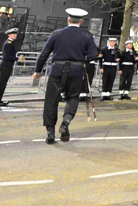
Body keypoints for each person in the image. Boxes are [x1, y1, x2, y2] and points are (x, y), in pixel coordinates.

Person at [32, 8, 98, 144]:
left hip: (57, 69)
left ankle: (50, 133)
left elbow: (44, 54)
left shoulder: (57, 34)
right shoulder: (87, 35)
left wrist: (38, 70)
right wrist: (82, 58)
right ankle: (65, 123)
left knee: (51, 100)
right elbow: (93, 55)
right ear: (81, 21)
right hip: (76, 70)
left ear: (68, 20)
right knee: (72, 97)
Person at [0, 27, 20, 107]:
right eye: (14, 34)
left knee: (2, 83)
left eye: (16, 34)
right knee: (2, 84)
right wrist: (17, 58)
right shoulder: (8, 43)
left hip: (7, 65)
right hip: (6, 65)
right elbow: (7, 56)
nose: (15, 35)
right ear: (9, 35)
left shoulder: (10, 43)